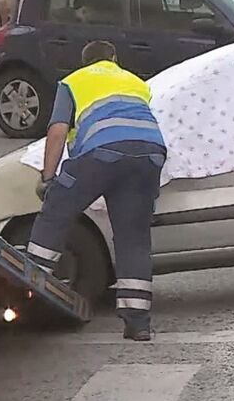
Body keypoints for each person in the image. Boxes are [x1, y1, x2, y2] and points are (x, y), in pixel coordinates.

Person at [26, 41, 167, 342]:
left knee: (56, 209)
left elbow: (57, 131)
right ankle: (138, 323)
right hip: (150, 154)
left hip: (102, 152)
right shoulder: (136, 82)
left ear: (85, 62)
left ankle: (31, 280)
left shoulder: (73, 81)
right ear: (114, 58)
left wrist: (47, 178)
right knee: (133, 238)